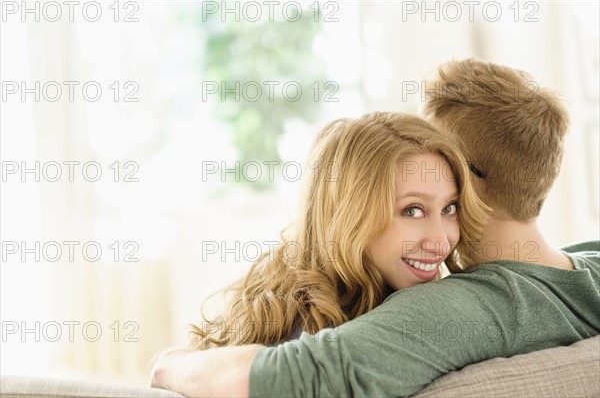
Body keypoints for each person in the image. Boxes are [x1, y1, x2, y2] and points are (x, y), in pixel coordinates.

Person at [150, 60, 600, 397]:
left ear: (465, 177)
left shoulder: (468, 307)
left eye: (439, 154)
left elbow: (299, 377)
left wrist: (171, 364)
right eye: (411, 209)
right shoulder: (588, 266)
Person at [189, 111, 487, 349]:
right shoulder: (315, 342)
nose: (440, 240)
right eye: (412, 210)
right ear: (349, 216)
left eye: (450, 208)